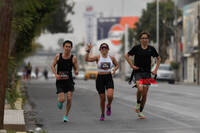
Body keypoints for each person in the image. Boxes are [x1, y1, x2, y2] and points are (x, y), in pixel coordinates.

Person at [125, 31, 161, 119]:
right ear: (140, 39)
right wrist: (131, 65)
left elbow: (158, 58)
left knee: (145, 94)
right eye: (143, 38)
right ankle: (138, 103)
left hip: (147, 73)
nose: (144, 39)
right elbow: (126, 55)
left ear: (148, 39)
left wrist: (155, 70)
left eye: (146, 38)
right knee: (140, 88)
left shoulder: (151, 49)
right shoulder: (136, 48)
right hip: (138, 72)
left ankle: (140, 111)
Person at [85, 43, 119, 121]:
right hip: (100, 78)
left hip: (108, 77)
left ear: (108, 49)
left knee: (110, 96)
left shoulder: (112, 58)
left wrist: (114, 69)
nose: (104, 49)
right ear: (100, 50)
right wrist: (88, 50)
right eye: (102, 48)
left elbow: (117, 65)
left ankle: (109, 105)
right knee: (102, 98)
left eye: (105, 48)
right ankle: (102, 114)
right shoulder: (98, 57)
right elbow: (87, 59)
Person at [51, 40, 78, 122]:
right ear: (63, 47)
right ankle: (60, 101)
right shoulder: (58, 56)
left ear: (71, 48)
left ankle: (66, 115)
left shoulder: (73, 58)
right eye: (66, 46)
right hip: (60, 81)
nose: (67, 48)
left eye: (69, 47)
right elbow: (52, 65)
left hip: (69, 80)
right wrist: (56, 74)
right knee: (63, 99)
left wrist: (76, 71)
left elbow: (76, 67)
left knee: (69, 98)